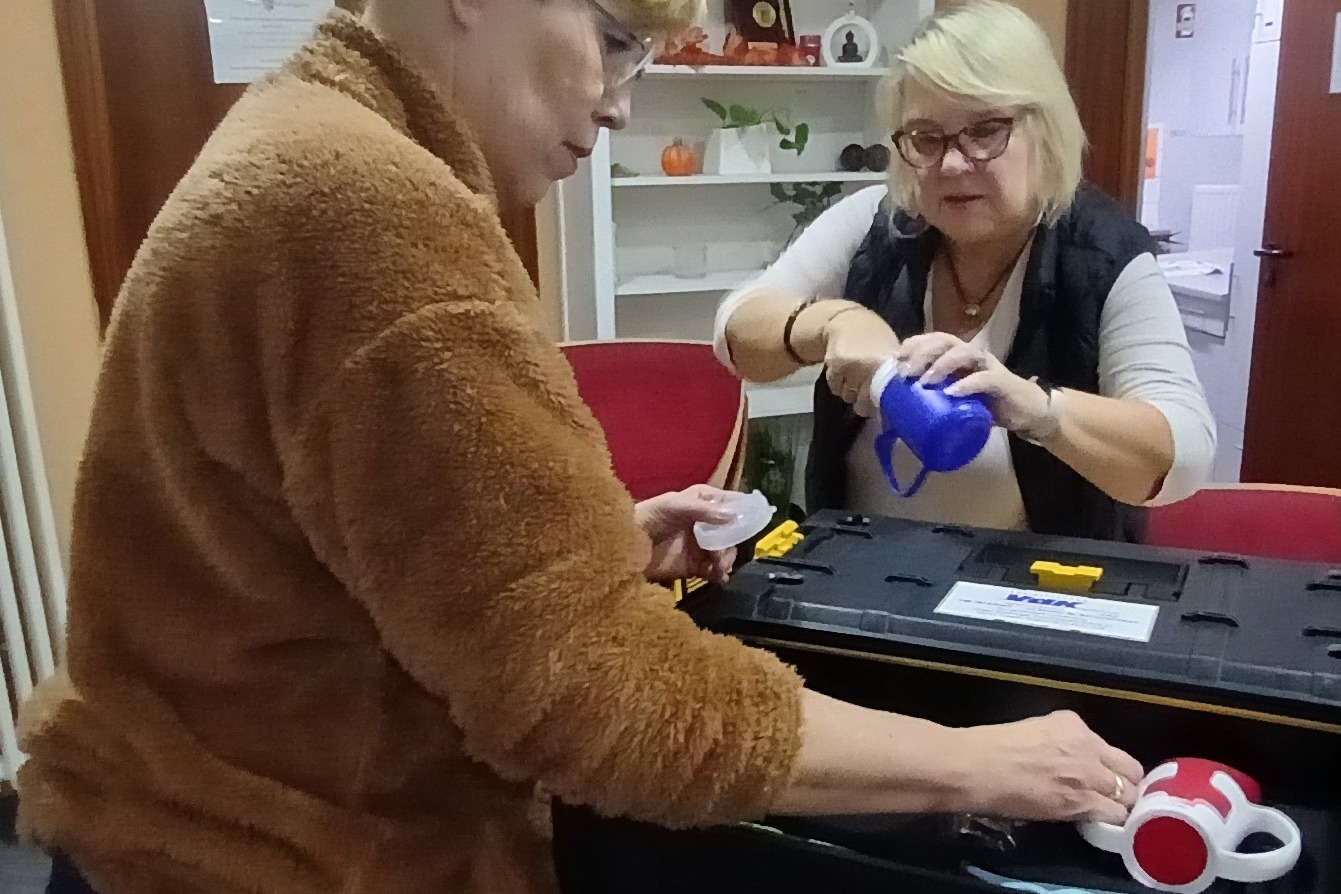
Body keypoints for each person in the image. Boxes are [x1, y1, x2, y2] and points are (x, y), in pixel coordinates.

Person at [19, 2, 1142, 893]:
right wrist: (975, 766)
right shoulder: (371, 217)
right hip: (276, 857)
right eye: (610, 40)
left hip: (175, 817)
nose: (616, 105)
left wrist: (592, 547)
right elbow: (598, 702)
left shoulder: (301, 136)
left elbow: (325, 538)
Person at [718, 0, 1215, 541]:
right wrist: (830, 322)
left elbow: (1183, 456)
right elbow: (734, 332)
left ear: (1044, 131)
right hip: (863, 579)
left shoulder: (1105, 256)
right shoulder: (877, 222)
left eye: (985, 131)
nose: (953, 164)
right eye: (926, 139)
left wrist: (1037, 411)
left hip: (1036, 598)